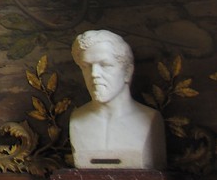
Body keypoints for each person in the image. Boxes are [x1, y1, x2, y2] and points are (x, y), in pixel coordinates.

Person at [68, 30, 165, 169]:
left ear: (127, 71)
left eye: (105, 65)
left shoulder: (150, 119)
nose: (94, 74)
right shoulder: (77, 120)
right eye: (86, 66)